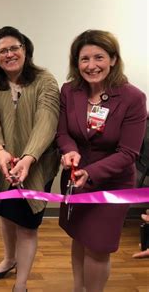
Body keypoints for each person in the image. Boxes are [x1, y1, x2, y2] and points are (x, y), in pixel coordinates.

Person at [57, 30, 147, 291]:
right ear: (76, 63)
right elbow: (63, 132)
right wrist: (69, 150)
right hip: (75, 179)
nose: (91, 65)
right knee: (79, 236)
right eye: (84, 59)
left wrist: (90, 172)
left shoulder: (133, 98)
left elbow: (129, 153)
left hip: (113, 184)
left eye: (99, 57)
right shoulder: (69, 91)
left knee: (98, 247)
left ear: (113, 60)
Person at [0, 26, 60, 292]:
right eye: (2, 51)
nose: (9, 54)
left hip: (36, 167)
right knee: (5, 215)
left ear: (26, 50)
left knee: (27, 225)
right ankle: (8, 259)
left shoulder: (45, 79)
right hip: (3, 166)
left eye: (15, 47)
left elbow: (47, 121)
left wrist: (28, 158)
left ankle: (21, 283)